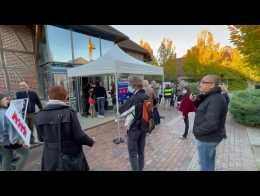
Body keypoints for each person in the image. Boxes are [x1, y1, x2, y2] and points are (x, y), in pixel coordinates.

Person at [34, 86, 95, 171]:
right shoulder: (69, 113)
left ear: (49, 97)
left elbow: (41, 138)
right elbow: (79, 136)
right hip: (69, 156)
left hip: (50, 157)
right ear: (65, 97)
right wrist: (91, 141)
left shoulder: (39, 115)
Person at [191, 75, 228, 171]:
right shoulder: (210, 96)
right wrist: (196, 100)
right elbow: (203, 107)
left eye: (203, 82)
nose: (200, 84)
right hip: (208, 137)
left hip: (207, 139)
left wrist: (196, 131)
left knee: (205, 166)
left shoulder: (216, 99)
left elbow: (211, 123)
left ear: (212, 85)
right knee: (208, 163)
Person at [119, 76, 149, 171]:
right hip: (143, 128)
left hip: (134, 129)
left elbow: (121, 110)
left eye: (129, 84)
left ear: (134, 85)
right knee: (141, 152)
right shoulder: (146, 96)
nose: (129, 86)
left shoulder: (134, 98)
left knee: (132, 154)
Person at [0, 93, 29, 171]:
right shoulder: (6, 113)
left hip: (2, 141)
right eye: (6, 99)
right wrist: (19, 141)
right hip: (8, 140)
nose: (8, 100)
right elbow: (11, 130)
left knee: (6, 157)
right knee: (25, 154)